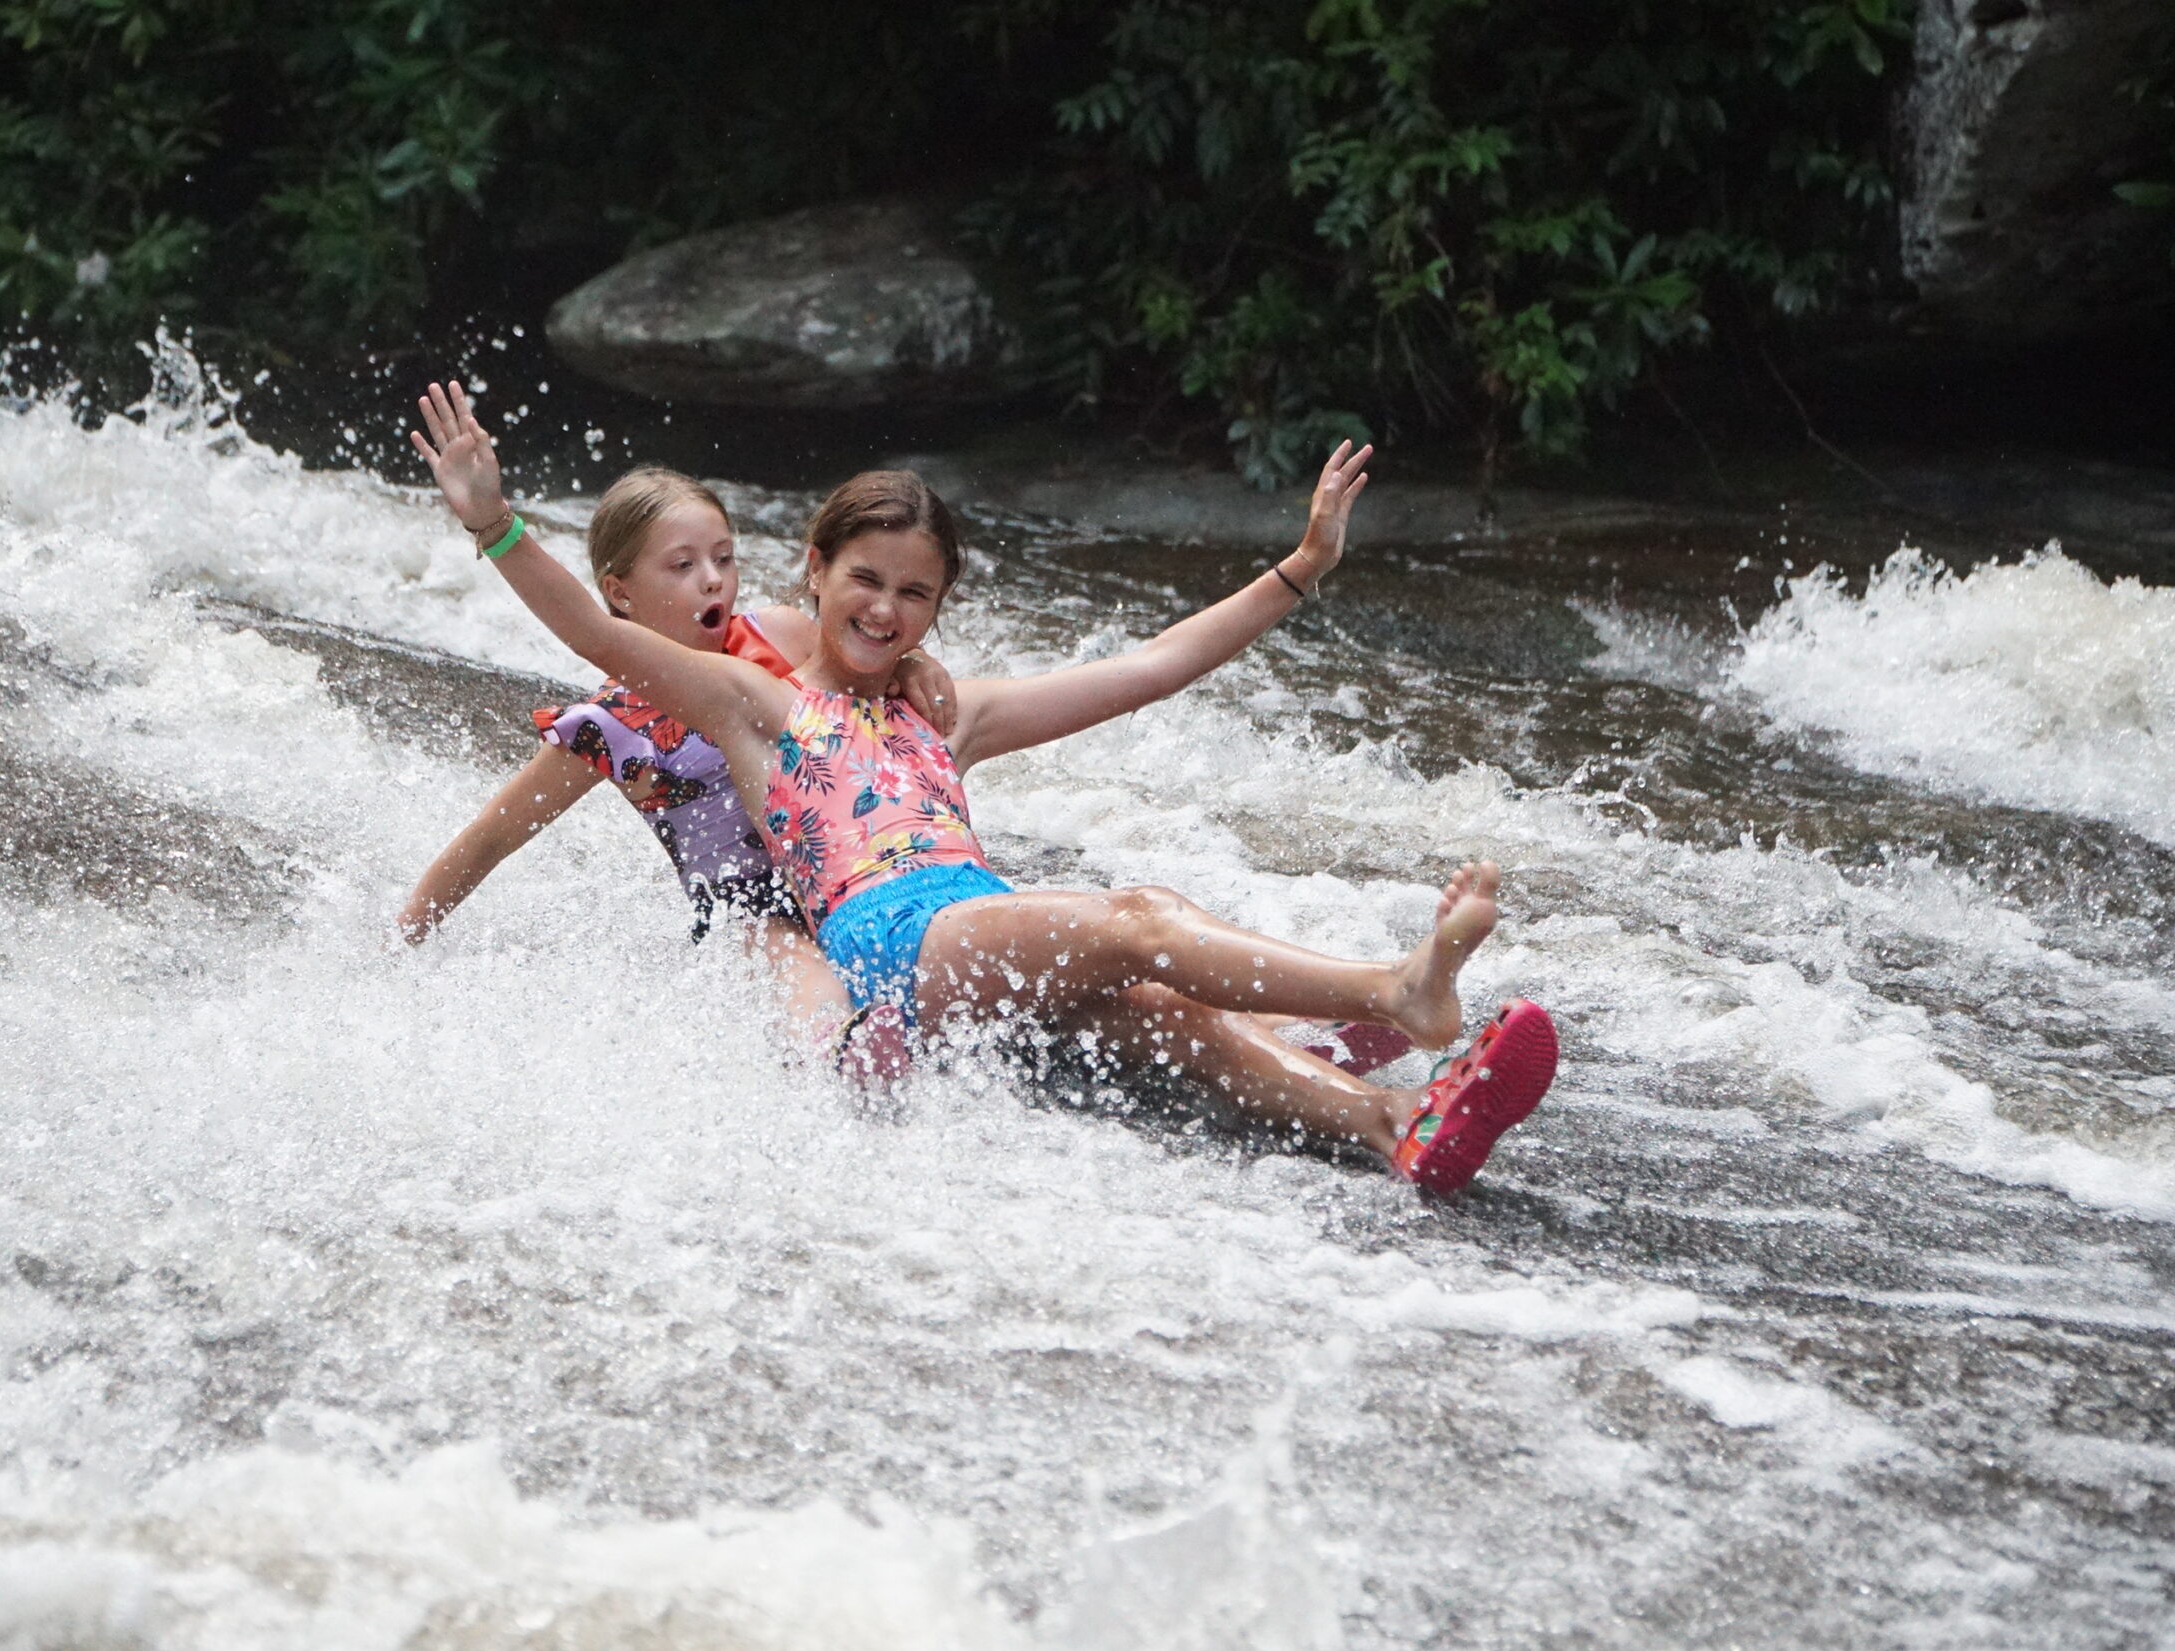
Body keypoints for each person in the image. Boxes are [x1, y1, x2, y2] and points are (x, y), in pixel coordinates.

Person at [413, 381, 1556, 1188]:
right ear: (814, 570)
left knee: (1166, 1013)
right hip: (887, 944)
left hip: (979, 925)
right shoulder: (753, 705)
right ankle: (1390, 991)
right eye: (865, 579)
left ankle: (1390, 1122)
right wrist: (495, 525)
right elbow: (597, 634)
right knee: (1138, 916)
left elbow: (1152, 667)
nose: (884, 609)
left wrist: (1299, 568)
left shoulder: (947, 713)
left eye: (914, 593)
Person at [396, 464, 957, 1055]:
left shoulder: (781, 636)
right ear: (621, 593)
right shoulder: (607, 728)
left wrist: (912, 663)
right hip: (745, 906)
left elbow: (863, 657)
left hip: (848, 872)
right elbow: (492, 836)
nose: (713, 580)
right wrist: (406, 936)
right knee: (767, 937)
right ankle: (836, 1045)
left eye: (724, 558)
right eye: (683, 566)